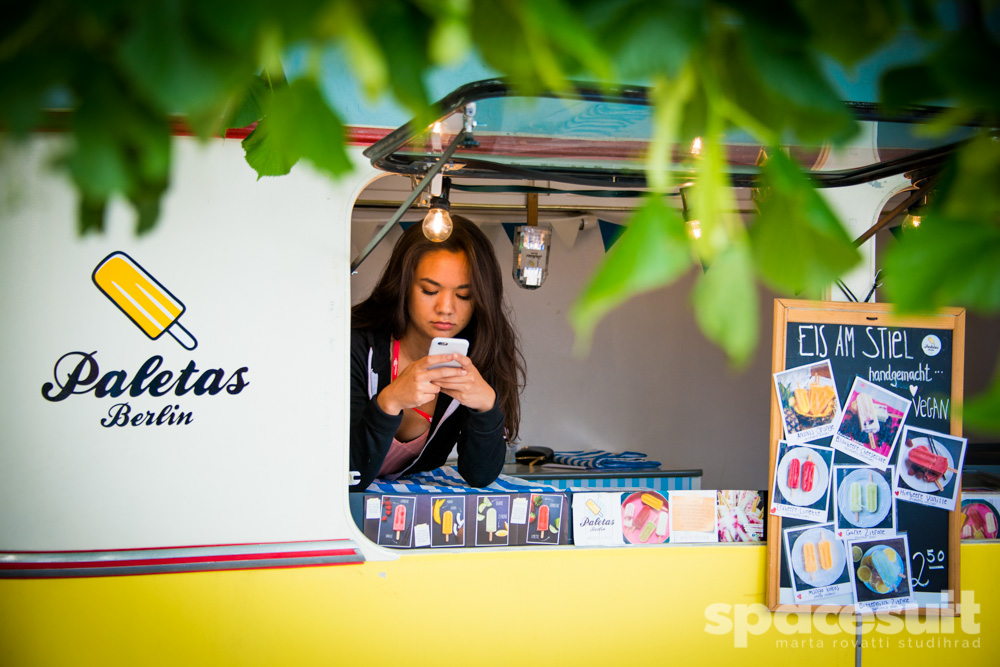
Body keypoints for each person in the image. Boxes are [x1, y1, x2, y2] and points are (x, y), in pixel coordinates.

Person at [350, 216, 525, 491]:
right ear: (403, 286)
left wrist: (486, 407)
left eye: (464, 295)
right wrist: (389, 403)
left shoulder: (478, 355)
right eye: (430, 290)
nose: (446, 308)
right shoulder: (355, 344)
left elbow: (480, 475)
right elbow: (349, 472)